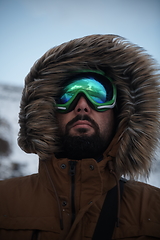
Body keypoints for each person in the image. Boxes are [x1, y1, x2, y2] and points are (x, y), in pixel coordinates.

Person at [0, 34, 160, 240]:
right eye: (67, 95)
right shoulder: (4, 201)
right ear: (49, 112)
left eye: (98, 94)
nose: (82, 105)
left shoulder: (153, 209)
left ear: (120, 113)